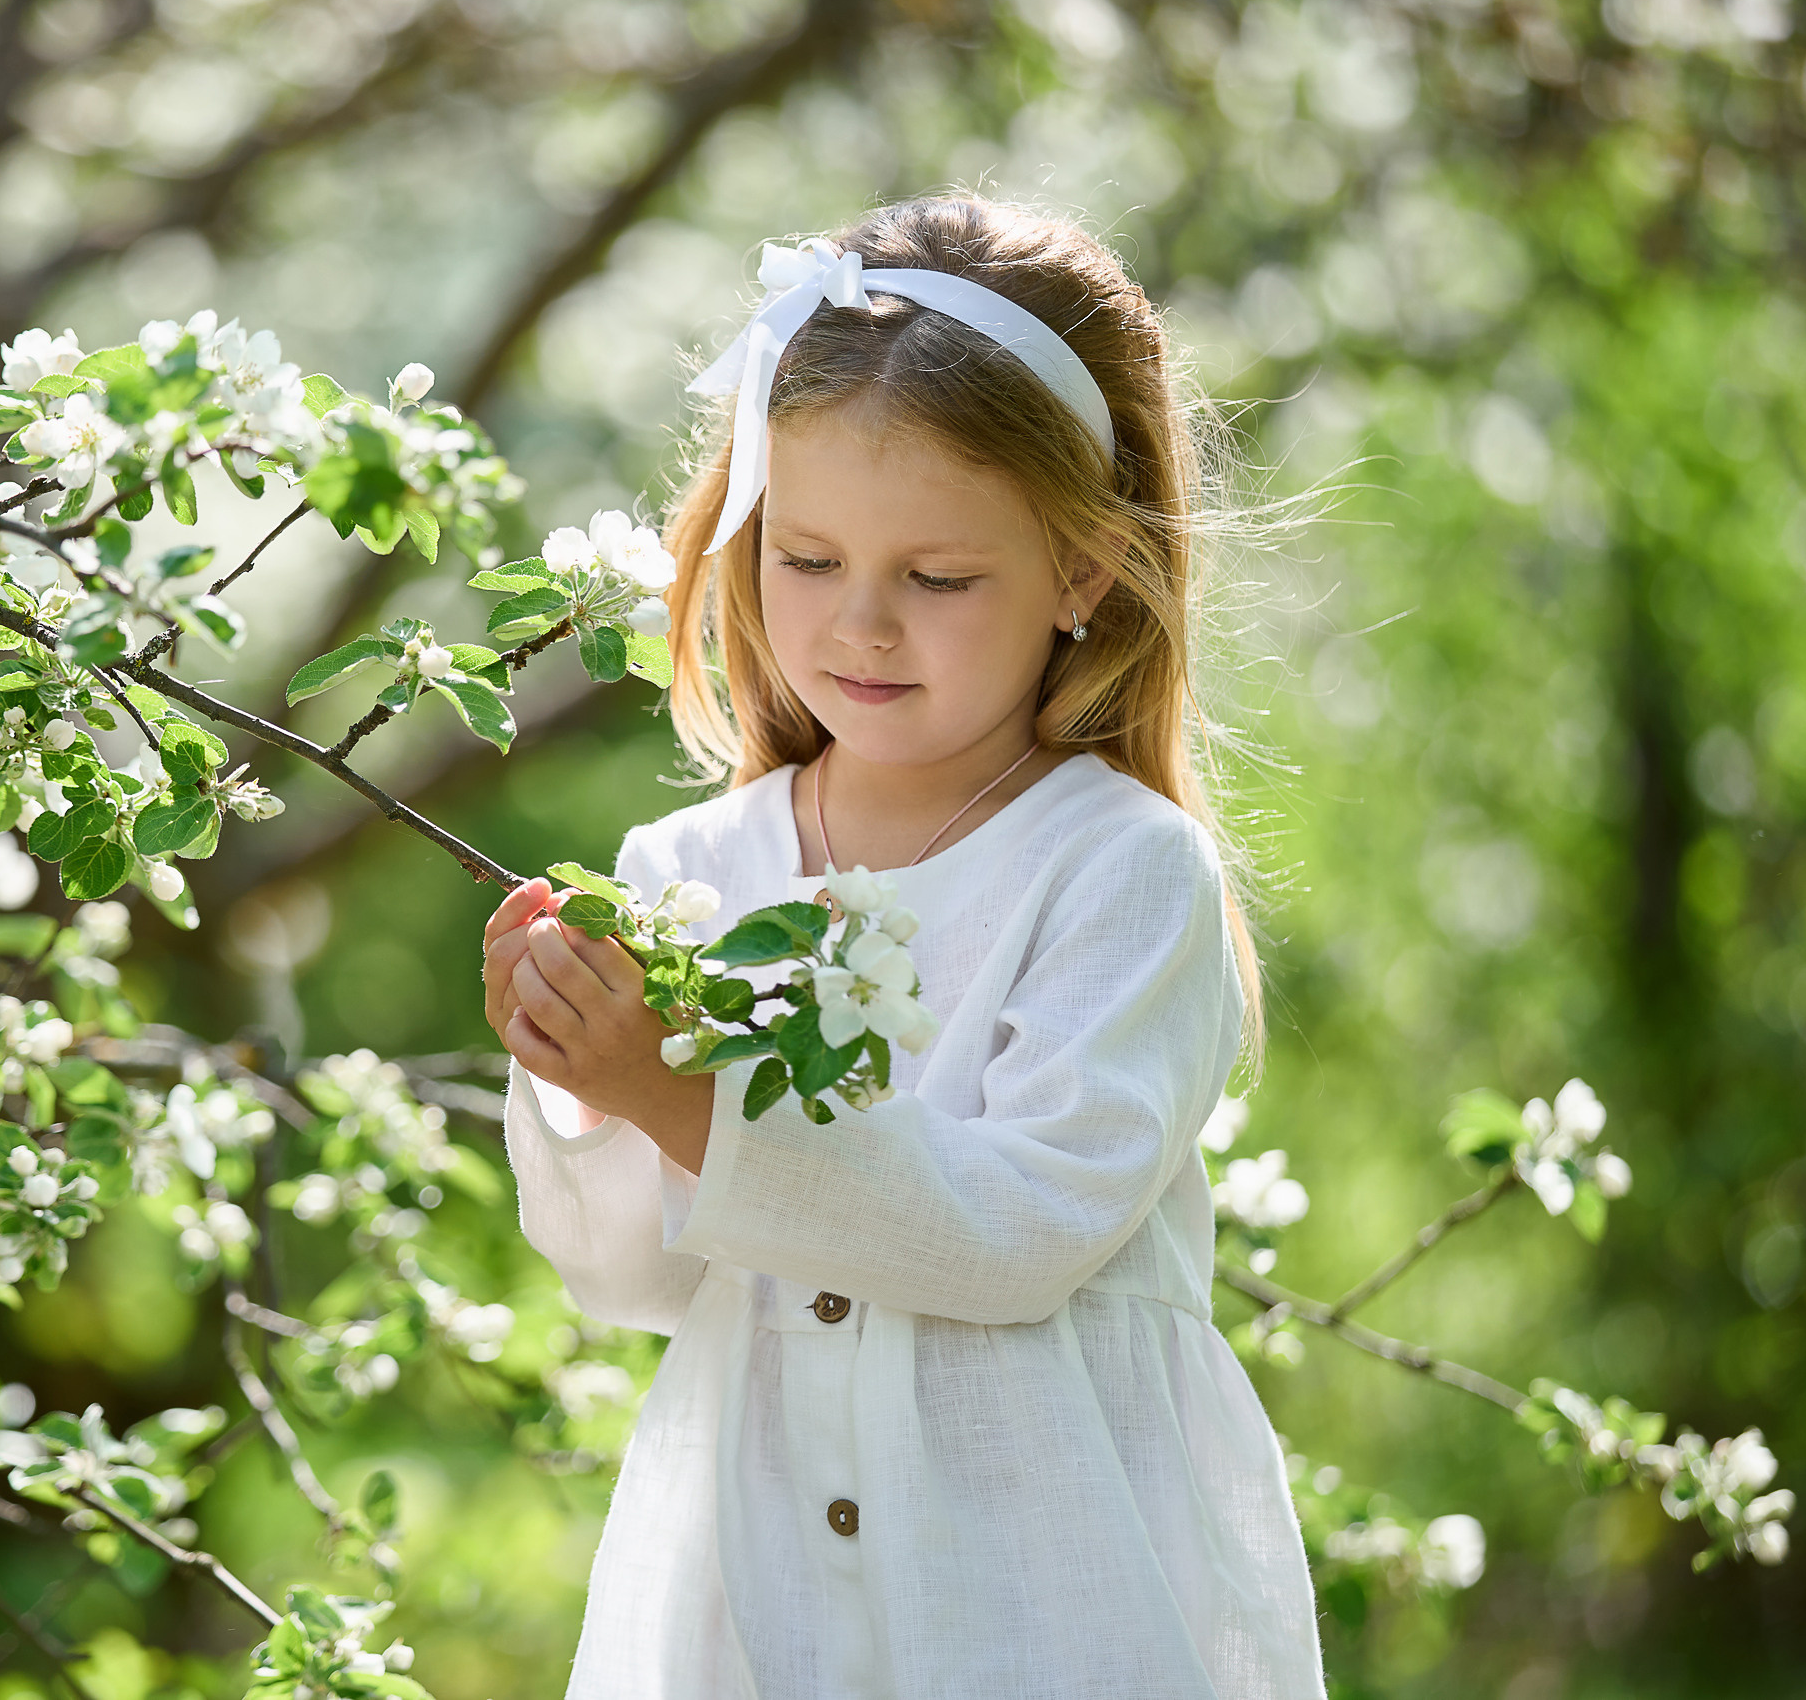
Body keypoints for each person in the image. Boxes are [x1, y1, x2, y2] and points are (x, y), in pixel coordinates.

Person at [478, 193, 1329, 1699]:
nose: (861, 627)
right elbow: (629, 1275)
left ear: (1080, 575)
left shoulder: (1119, 871)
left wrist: (686, 1099)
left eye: (938, 580)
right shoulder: (692, 872)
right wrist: (581, 1079)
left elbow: (1010, 1235)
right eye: (805, 560)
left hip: (1034, 1613)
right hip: (748, 1615)